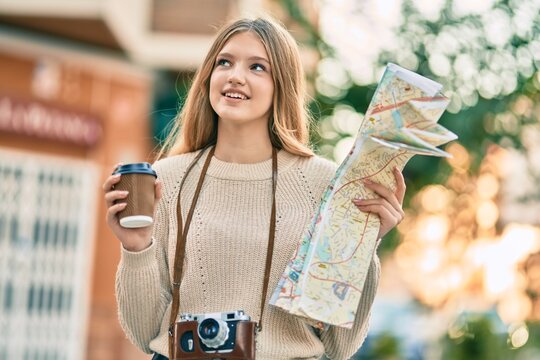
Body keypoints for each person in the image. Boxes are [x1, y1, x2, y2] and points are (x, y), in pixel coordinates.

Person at [103, 16, 405, 360]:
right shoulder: (168, 178)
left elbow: (338, 348)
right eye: (224, 62)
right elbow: (145, 335)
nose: (235, 75)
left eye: (257, 67)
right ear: (208, 78)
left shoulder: (322, 183)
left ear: (282, 84)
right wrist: (136, 247)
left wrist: (364, 245)